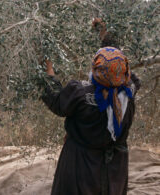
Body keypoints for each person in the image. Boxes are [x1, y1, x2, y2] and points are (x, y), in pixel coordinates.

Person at [42, 47, 141, 195]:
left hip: (81, 166)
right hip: (115, 169)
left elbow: (56, 100)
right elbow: (124, 73)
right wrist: (105, 37)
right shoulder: (128, 92)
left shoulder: (80, 94)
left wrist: (48, 69)